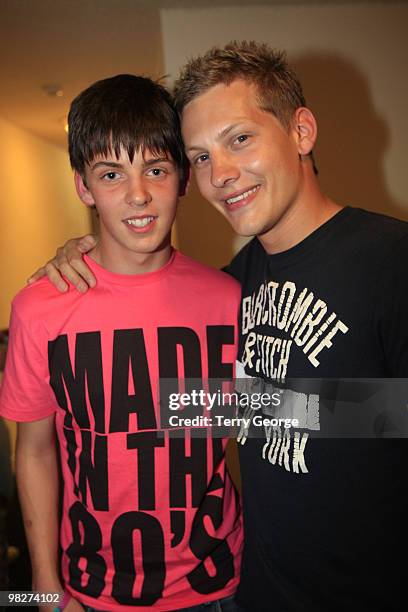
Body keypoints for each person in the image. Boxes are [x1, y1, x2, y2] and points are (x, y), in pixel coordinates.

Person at [29, 41, 408, 611]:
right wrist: (90, 255)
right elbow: (214, 401)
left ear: (302, 131)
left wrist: (211, 406)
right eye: (200, 156)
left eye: (240, 139)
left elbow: (383, 413)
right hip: (250, 589)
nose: (221, 174)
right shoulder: (239, 279)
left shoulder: (391, 260)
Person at [0, 74, 244, 612]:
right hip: (93, 592)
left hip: (218, 589)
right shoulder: (39, 308)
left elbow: (273, 419)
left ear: (182, 178)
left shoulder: (231, 298)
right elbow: (35, 450)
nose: (138, 194)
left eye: (156, 169)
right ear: (83, 187)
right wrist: (43, 587)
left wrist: (383, 411)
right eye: (111, 174)